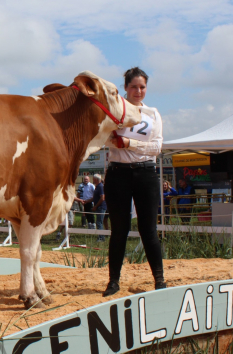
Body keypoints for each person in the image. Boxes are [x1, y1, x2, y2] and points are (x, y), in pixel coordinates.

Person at [102, 67, 166, 297]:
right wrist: (116, 141)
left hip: (146, 174)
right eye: (134, 87)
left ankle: (159, 280)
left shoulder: (153, 113)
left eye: (142, 87)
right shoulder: (115, 111)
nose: (138, 91)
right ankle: (113, 282)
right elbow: (104, 137)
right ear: (125, 88)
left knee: (149, 229)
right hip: (118, 174)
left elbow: (157, 147)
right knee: (119, 230)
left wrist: (130, 144)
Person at [87, 174, 107, 241]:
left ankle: (101, 237)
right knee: (99, 222)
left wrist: (95, 206)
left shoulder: (100, 186)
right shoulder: (97, 186)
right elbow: (94, 198)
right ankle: (101, 236)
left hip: (101, 207)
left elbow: (102, 198)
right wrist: (86, 201)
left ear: (95, 179)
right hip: (99, 207)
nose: (92, 179)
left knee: (99, 222)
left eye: (93, 178)